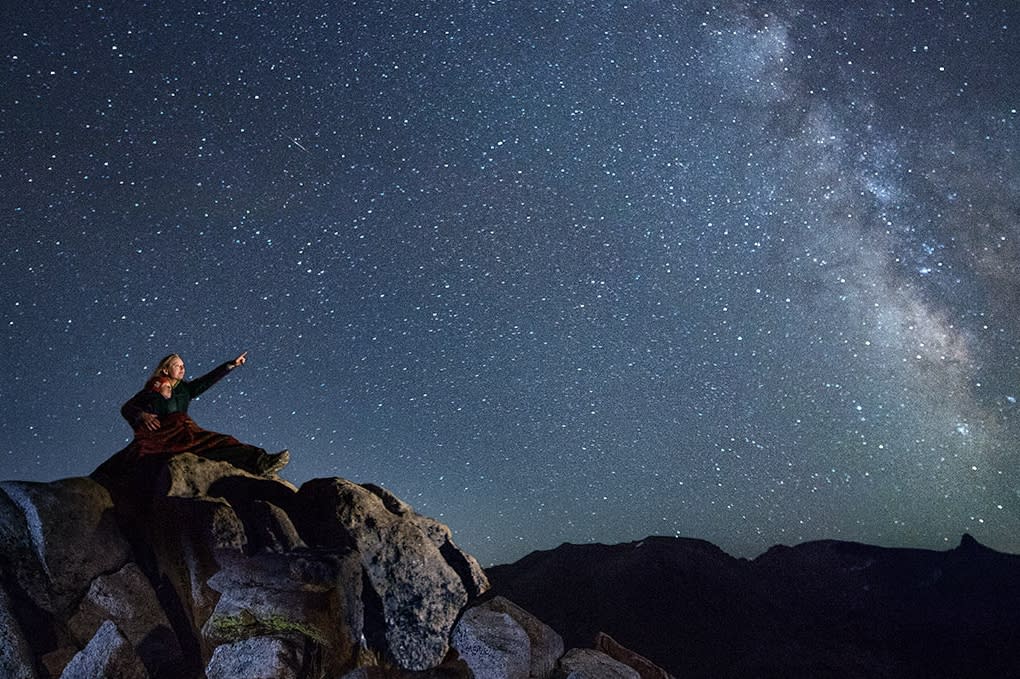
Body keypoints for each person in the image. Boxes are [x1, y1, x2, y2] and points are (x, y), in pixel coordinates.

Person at [119, 351, 289, 475]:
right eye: (177, 366)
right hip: (163, 434)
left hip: (184, 430)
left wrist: (230, 365)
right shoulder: (152, 389)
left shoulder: (186, 389)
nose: (182, 369)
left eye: (183, 366)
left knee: (222, 442)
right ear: (165, 370)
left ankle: (259, 462)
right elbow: (127, 408)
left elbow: (207, 380)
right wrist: (142, 415)